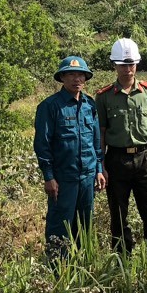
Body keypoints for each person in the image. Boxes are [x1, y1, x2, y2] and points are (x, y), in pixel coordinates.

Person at [95, 38, 147, 254]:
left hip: (145, 158)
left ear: (136, 64)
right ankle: (122, 258)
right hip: (116, 160)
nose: (128, 70)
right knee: (118, 213)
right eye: (123, 65)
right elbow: (101, 132)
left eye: (131, 64)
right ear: (114, 65)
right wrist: (101, 165)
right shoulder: (104, 97)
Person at [34, 55, 106, 259]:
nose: (77, 79)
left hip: (87, 178)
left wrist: (99, 170)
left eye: (81, 75)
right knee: (59, 227)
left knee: (84, 225)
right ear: (62, 78)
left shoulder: (89, 105)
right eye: (71, 74)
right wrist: (48, 176)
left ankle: (81, 266)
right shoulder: (50, 106)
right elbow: (42, 145)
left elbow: (95, 141)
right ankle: (56, 269)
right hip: (63, 179)